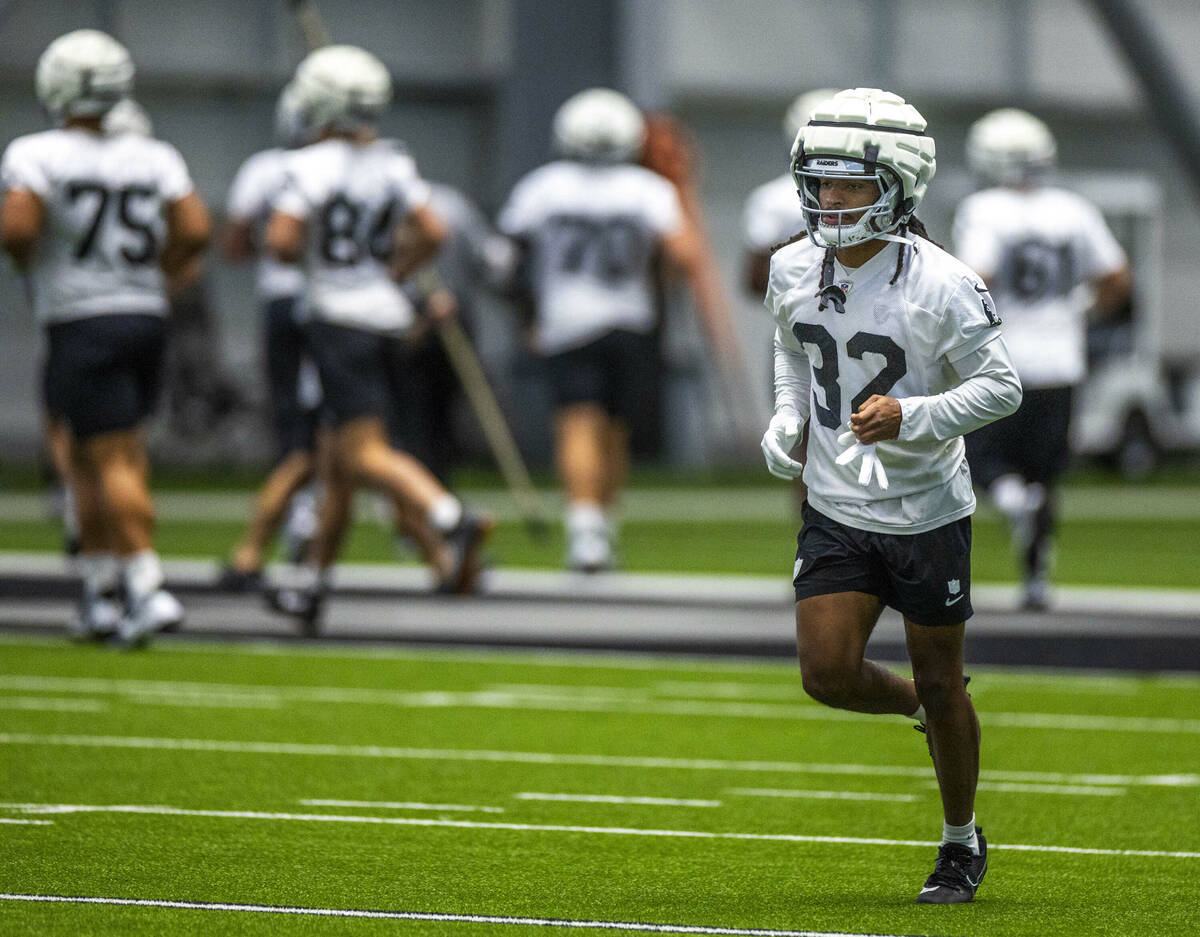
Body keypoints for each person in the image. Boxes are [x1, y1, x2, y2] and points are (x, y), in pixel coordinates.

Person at [759, 88, 1022, 903]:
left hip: (925, 508)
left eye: (847, 184)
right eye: (818, 181)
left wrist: (916, 413)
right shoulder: (791, 264)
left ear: (899, 185)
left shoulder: (943, 283)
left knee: (946, 679)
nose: (828, 199)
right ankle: (926, 708)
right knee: (826, 673)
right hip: (837, 502)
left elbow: (1002, 387)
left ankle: (958, 840)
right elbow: (794, 352)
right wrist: (788, 417)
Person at [264, 44, 491, 629]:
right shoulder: (393, 162)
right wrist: (389, 271)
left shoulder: (308, 166)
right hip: (387, 319)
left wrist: (324, 267)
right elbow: (432, 231)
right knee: (337, 463)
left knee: (362, 454)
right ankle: (312, 585)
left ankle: (448, 517)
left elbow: (283, 242)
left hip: (338, 321)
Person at [0, 29, 211, 645]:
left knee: (109, 457)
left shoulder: (37, 153)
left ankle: (146, 585)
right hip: (143, 315)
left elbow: (17, 229)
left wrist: (40, 262)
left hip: (81, 319)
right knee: (95, 459)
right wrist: (153, 273)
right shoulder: (154, 155)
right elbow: (194, 229)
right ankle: (99, 592)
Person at [497, 88, 708, 572]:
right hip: (630, 320)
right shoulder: (646, 190)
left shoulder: (543, 187)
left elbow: (502, 260)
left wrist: (524, 313)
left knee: (577, 423)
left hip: (567, 321)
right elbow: (684, 254)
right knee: (614, 430)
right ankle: (601, 526)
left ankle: (586, 529)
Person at [953, 108, 1132, 609]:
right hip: (1062, 360)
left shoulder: (985, 209)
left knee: (976, 460)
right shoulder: (1073, 209)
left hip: (1004, 358)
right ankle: (1036, 580)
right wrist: (1077, 312)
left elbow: (976, 279)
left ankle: (1014, 506)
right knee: (1044, 478)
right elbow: (1118, 280)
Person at [218, 82, 322, 591]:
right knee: (336, 426)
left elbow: (234, 244)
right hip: (337, 309)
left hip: (284, 304)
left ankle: (288, 526)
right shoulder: (353, 166)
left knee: (298, 420)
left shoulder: (264, 170)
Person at [741, 88, 838, 509]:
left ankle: (816, 537)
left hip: (805, 334)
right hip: (868, 330)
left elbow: (753, 280)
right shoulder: (876, 193)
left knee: (803, 437)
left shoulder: (773, 198)